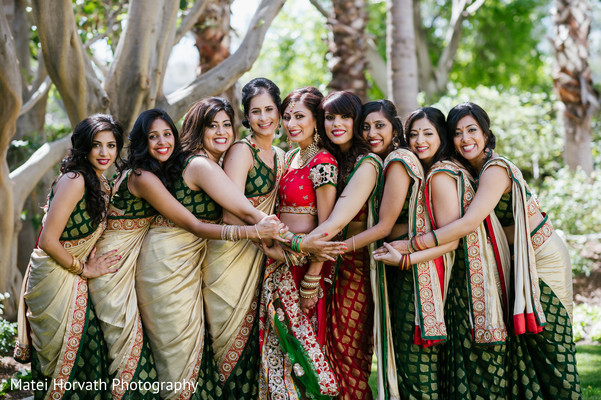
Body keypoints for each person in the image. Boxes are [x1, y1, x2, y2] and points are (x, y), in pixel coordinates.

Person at [376, 102, 581, 399]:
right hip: (512, 260)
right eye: (458, 132)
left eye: (472, 130)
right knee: (527, 348)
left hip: (540, 257)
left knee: (550, 340)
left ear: (486, 133)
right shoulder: (465, 170)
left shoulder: (495, 170)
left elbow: (468, 224)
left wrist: (410, 247)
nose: (465, 138)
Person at [88, 108, 281, 399]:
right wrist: (259, 231)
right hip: (157, 266)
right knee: (167, 353)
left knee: (185, 349)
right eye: (153, 136)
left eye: (168, 134)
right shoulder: (149, 174)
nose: (162, 141)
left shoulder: (166, 169)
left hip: (171, 262)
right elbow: (198, 223)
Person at [14, 114, 123, 399]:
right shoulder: (74, 180)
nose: (104, 153)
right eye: (97, 145)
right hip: (52, 277)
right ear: (83, 147)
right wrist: (84, 269)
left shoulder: (104, 185)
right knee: (68, 357)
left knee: (89, 354)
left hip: (71, 278)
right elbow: (49, 240)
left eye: (111, 146)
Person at [349, 104, 448, 399]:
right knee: (404, 355)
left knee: (410, 355)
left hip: (408, 268)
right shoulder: (390, 160)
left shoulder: (397, 160)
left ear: (394, 128)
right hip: (399, 263)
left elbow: (383, 226)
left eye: (379, 125)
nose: (371, 133)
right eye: (365, 127)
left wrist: (339, 248)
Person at [202, 78, 287, 399]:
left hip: (261, 255)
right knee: (229, 339)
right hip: (232, 255)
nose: (263, 118)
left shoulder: (281, 154)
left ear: (279, 112)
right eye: (255, 112)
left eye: (269, 110)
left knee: (256, 339)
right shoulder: (241, 151)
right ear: (246, 117)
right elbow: (230, 212)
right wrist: (268, 244)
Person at [297, 91, 382, 400]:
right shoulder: (335, 159)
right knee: (328, 348)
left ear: (356, 120)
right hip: (335, 261)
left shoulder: (367, 162)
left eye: (345, 117)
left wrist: (304, 257)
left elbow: (335, 222)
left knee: (350, 352)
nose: (337, 124)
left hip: (355, 263)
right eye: (329, 117)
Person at [258, 87, 340, 398]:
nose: (291, 123)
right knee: (277, 344)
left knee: (303, 353)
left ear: (316, 120)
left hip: (304, 267)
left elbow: (327, 227)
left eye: (300, 116)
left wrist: (312, 278)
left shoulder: (323, 162)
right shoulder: (291, 156)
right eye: (288, 116)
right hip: (280, 261)